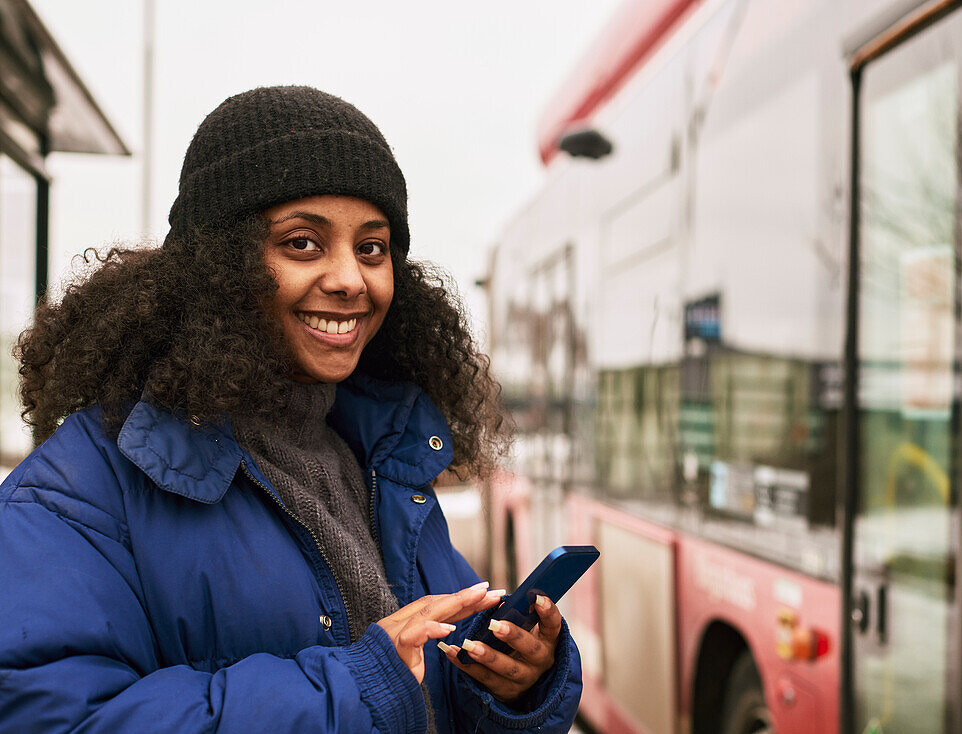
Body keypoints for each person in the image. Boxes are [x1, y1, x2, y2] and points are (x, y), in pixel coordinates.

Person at [0, 86, 582, 733]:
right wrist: (358, 688)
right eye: (304, 243)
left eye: (372, 247)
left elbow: (432, 675)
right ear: (216, 266)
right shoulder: (79, 488)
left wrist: (511, 684)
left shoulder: (388, 456)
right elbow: (55, 718)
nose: (350, 278)